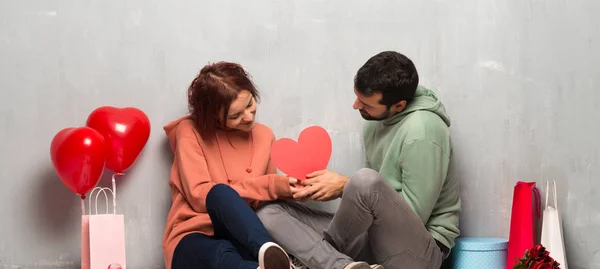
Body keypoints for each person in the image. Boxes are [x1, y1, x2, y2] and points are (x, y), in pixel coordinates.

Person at [256, 51, 461, 269]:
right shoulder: (375, 120)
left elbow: (413, 217)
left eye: (366, 104)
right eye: (357, 98)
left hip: (419, 252)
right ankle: (339, 265)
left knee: (364, 180)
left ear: (399, 106)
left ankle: (313, 261)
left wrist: (345, 187)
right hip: (373, 237)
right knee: (268, 212)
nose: (356, 106)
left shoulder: (423, 130)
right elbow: (373, 203)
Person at [162, 61, 294, 269]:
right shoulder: (189, 131)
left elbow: (261, 204)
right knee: (218, 197)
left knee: (234, 250)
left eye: (250, 104)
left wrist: (291, 188)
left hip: (243, 236)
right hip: (192, 237)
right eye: (235, 116)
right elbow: (199, 196)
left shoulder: (264, 135)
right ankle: (270, 257)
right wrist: (271, 185)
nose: (249, 117)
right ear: (213, 115)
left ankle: (270, 257)